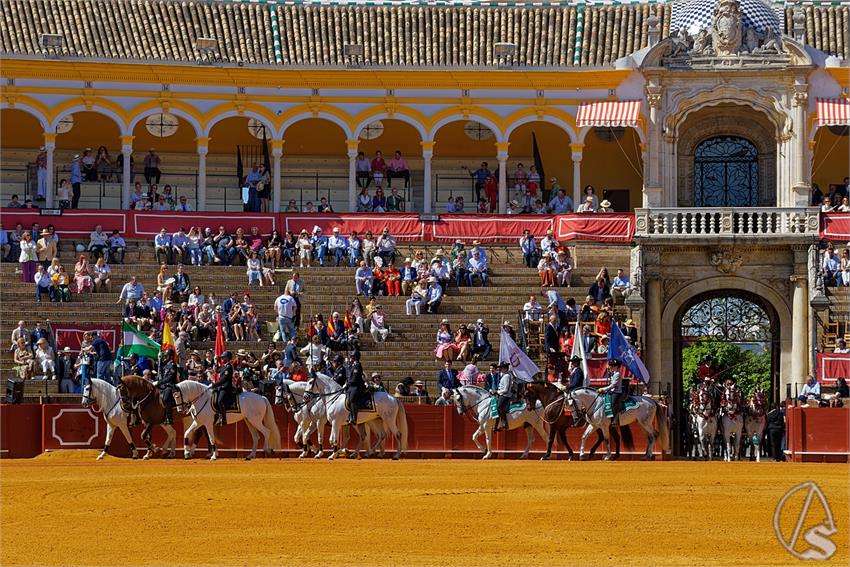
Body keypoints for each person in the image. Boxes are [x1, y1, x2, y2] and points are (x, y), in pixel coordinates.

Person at [152, 350, 178, 425]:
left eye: (167, 356)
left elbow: (169, 378)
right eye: (165, 356)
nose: (165, 357)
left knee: (166, 399)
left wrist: (158, 382)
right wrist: (159, 358)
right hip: (163, 385)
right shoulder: (166, 364)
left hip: (170, 385)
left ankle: (169, 418)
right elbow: (160, 370)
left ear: (171, 356)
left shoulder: (173, 365)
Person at [212, 351, 237, 426]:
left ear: (228, 358)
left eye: (223, 357)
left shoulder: (228, 367)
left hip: (226, 388)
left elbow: (224, 380)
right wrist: (215, 361)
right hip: (221, 387)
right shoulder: (224, 366)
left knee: (220, 401)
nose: (222, 358)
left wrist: (214, 385)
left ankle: (223, 418)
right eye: (222, 357)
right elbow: (217, 370)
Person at [599, 359, 624, 424]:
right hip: (611, 391)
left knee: (613, 403)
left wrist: (603, 389)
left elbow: (613, 385)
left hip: (617, 392)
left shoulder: (617, 374)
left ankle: (615, 419)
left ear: (617, 367)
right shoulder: (613, 373)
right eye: (610, 365)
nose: (610, 367)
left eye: (612, 366)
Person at [345, 352, 367, 425]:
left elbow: (354, 378)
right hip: (351, 386)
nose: (350, 358)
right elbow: (349, 375)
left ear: (355, 357)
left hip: (357, 386)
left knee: (352, 399)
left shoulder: (357, 366)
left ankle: (354, 418)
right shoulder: (352, 365)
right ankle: (349, 415)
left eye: (351, 356)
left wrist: (348, 383)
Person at [494, 362, 513, 431]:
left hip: (505, 395)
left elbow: (505, 389)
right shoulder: (505, 375)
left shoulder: (507, 376)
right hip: (502, 394)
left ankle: (505, 423)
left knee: (499, 406)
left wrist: (497, 392)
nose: (500, 369)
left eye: (501, 368)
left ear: (505, 368)